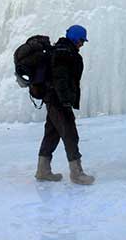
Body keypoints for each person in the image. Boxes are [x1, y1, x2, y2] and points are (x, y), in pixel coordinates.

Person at [35, 24, 95, 185]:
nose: (82, 44)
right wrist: (65, 99)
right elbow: (60, 78)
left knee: (52, 133)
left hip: (53, 99)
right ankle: (77, 173)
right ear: (75, 38)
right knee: (70, 134)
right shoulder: (64, 53)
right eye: (81, 40)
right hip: (58, 100)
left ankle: (43, 170)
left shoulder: (62, 50)